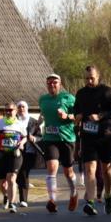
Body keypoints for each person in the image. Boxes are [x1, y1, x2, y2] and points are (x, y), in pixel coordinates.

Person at [73, 65, 111, 216]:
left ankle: (107, 195)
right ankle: (90, 202)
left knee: (106, 168)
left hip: (105, 134)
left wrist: (100, 116)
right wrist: (77, 116)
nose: (89, 80)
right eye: (87, 78)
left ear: (98, 77)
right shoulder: (81, 93)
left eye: (92, 78)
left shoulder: (107, 91)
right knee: (89, 169)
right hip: (88, 134)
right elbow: (76, 109)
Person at [37, 73, 79, 213]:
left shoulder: (69, 98)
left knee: (68, 172)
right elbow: (43, 114)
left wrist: (67, 116)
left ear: (60, 84)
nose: (52, 85)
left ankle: (74, 194)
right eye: (49, 83)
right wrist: (39, 121)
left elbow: (78, 117)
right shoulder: (42, 99)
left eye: (55, 82)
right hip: (50, 138)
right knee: (52, 168)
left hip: (67, 138)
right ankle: (52, 200)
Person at [0, 102, 28, 213]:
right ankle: (6, 196)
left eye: (11, 110)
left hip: (14, 154)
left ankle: (12, 203)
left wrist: (21, 143)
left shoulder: (19, 124)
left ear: (15, 111)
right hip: (1, 154)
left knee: (11, 178)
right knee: (1, 183)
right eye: (6, 110)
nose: (8, 112)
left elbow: (25, 136)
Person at [14, 100, 41, 208]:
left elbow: (40, 136)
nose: (21, 109)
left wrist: (34, 138)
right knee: (15, 175)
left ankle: (23, 200)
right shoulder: (14, 120)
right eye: (19, 107)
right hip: (16, 151)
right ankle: (12, 198)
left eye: (23, 107)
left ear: (27, 108)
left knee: (24, 174)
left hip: (29, 151)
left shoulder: (33, 122)